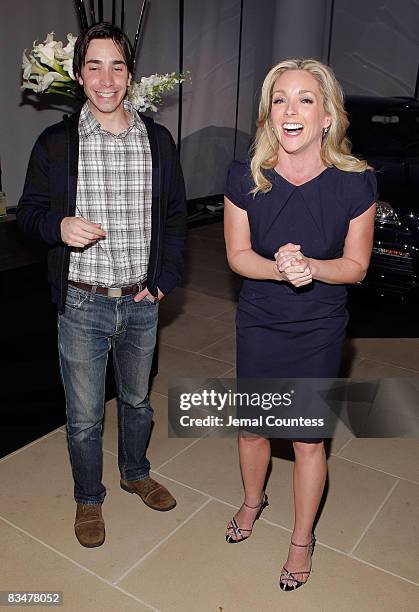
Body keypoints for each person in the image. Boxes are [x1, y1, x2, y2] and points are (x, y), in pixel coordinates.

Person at [17, 23, 186, 548]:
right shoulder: (56, 143)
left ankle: (135, 472)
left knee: (137, 402)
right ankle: (88, 499)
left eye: (117, 66)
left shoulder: (157, 141)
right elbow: (29, 215)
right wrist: (58, 228)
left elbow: (177, 216)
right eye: (95, 66)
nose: (106, 79)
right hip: (81, 302)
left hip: (140, 300)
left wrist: (164, 280)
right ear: (79, 74)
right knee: (85, 417)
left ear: (130, 75)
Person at [223, 58, 376, 590]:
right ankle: (251, 500)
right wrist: (279, 269)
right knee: (251, 426)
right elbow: (239, 255)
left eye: (305, 99)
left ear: (327, 114)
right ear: (269, 113)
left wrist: (310, 268)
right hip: (261, 317)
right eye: (280, 99)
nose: (291, 110)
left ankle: (302, 538)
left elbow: (356, 267)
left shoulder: (356, 183)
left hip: (319, 323)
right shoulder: (245, 177)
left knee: (308, 440)